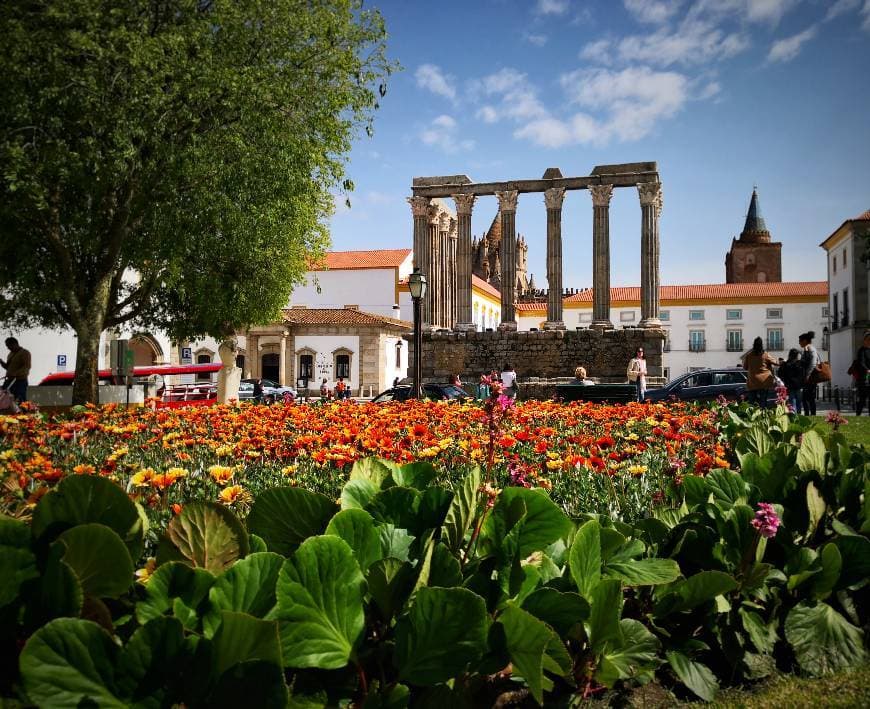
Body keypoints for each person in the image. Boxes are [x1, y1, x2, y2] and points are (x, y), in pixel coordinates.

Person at [741, 337, 777, 407]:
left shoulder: (749, 355)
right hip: (764, 382)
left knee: (751, 402)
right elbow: (775, 362)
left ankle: (752, 416)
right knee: (763, 401)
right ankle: (762, 415)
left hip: (752, 382)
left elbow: (745, 367)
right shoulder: (765, 354)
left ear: (754, 344)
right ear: (761, 345)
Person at [0, 337, 31, 403]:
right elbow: (8, 367)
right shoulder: (10, 354)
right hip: (9, 381)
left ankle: (24, 412)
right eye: (7, 346)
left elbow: (27, 367)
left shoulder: (25, 353)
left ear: (15, 344)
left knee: (20, 399)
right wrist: (1, 361)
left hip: (20, 381)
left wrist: (16, 373)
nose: (8, 348)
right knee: (5, 398)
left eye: (9, 346)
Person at [799, 331, 821, 416]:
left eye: (800, 340)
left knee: (809, 398)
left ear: (804, 341)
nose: (799, 342)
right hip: (809, 377)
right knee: (806, 398)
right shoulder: (807, 348)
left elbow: (812, 363)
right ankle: (809, 414)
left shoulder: (810, 348)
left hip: (810, 378)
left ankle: (811, 415)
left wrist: (807, 375)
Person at [778, 348, 804, 413]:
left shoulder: (786, 364)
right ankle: (799, 416)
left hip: (789, 386)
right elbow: (802, 374)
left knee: (792, 403)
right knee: (798, 403)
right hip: (798, 386)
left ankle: (793, 416)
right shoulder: (799, 364)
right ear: (796, 355)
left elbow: (780, 373)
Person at [853, 330, 870, 415]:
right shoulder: (861, 351)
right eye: (868, 339)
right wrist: (867, 370)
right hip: (864, 379)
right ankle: (858, 415)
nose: (869, 341)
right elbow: (861, 363)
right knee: (862, 399)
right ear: (864, 340)